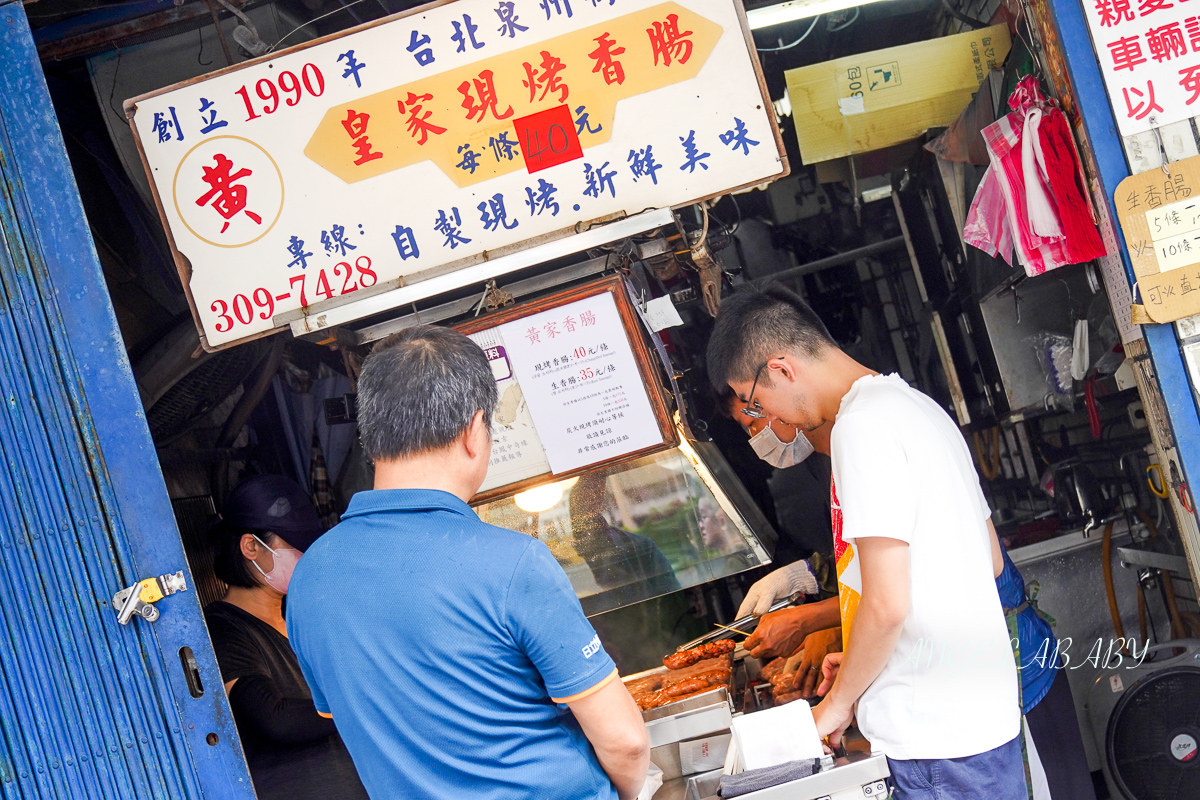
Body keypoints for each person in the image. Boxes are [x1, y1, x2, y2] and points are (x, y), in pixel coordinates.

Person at [286, 325, 649, 800]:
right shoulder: (513, 563)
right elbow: (625, 742)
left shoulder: (309, 579)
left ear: (372, 436)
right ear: (475, 430)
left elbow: (352, 721)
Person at [708, 285, 1026, 800]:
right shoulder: (916, 407)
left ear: (782, 369)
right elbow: (985, 560)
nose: (770, 420)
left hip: (932, 739)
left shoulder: (860, 428)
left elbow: (886, 604)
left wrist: (838, 704)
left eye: (754, 402)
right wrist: (865, 663)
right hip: (977, 723)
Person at [205, 474, 368, 800]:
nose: (307, 557)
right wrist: (368, 703)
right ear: (251, 546)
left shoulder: (300, 617)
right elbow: (276, 718)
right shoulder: (223, 629)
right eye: (296, 546)